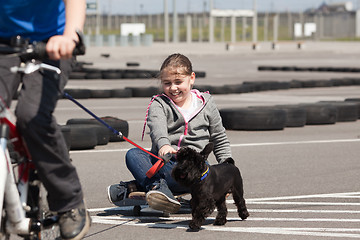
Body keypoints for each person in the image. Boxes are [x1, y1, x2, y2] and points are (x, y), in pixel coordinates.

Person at [0, 0, 90, 239]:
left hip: (52, 43)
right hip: (3, 44)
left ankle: (68, 202)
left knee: (31, 116)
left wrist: (70, 36)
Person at [107, 53, 232, 213]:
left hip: (195, 170)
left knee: (202, 173)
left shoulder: (206, 103)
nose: (173, 88)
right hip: (165, 165)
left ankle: (134, 188)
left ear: (191, 78)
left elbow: (219, 138)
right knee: (133, 154)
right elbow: (157, 129)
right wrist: (164, 145)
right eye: (167, 83)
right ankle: (159, 191)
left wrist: (227, 167)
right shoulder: (158, 104)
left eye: (178, 82)